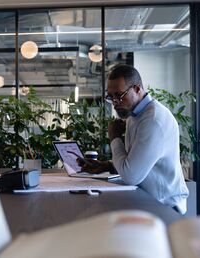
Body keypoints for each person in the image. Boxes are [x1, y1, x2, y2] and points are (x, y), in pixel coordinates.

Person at [78, 64, 189, 214]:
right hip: (146, 200)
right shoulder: (134, 114)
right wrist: (108, 166)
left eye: (119, 95)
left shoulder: (153, 120)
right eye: (111, 97)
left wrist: (114, 137)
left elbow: (131, 176)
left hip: (165, 207)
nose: (115, 102)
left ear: (137, 89)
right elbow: (138, 161)